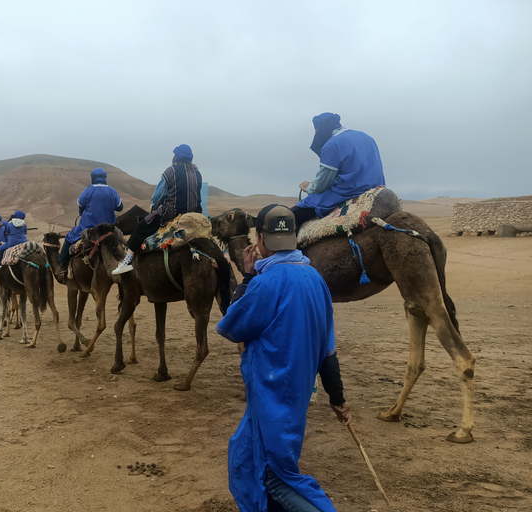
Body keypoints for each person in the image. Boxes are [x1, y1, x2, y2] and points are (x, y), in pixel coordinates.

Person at [215, 204, 352, 512]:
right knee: (246, 457)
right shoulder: (315, 278)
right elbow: (328, 349)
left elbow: (233, 325)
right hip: (295, 395)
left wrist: (247, 277)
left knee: (274, 475)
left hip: (270, 396)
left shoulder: (266, 283)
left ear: (260, 238)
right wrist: (338, 398)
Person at [112, 144, 202, 274]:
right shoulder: (197, 174)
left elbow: (157, 197)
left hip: (172, 216)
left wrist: (154, 207)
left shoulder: (171, 171)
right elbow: (198, 198)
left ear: (177, 156)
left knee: (140, 229)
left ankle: (126, 262)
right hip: (194, 217)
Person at [291, 113, 385, 232]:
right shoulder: (366, 137)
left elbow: (321, 184)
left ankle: (291, 251)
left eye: (316, 132)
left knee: (290, 216)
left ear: (321, 130)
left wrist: (308, 188)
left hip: (349, 192)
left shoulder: (333, 144)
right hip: (377, 190)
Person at [59, 168, 123, 272]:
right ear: (105, 178)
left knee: (69, 238)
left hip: (88, 228)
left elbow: (81, 206)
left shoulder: (88, 190)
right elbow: (120, 207)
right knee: (123, 242)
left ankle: (62, 264)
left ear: (92, 178)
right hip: (109, 229)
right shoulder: (112, 191)